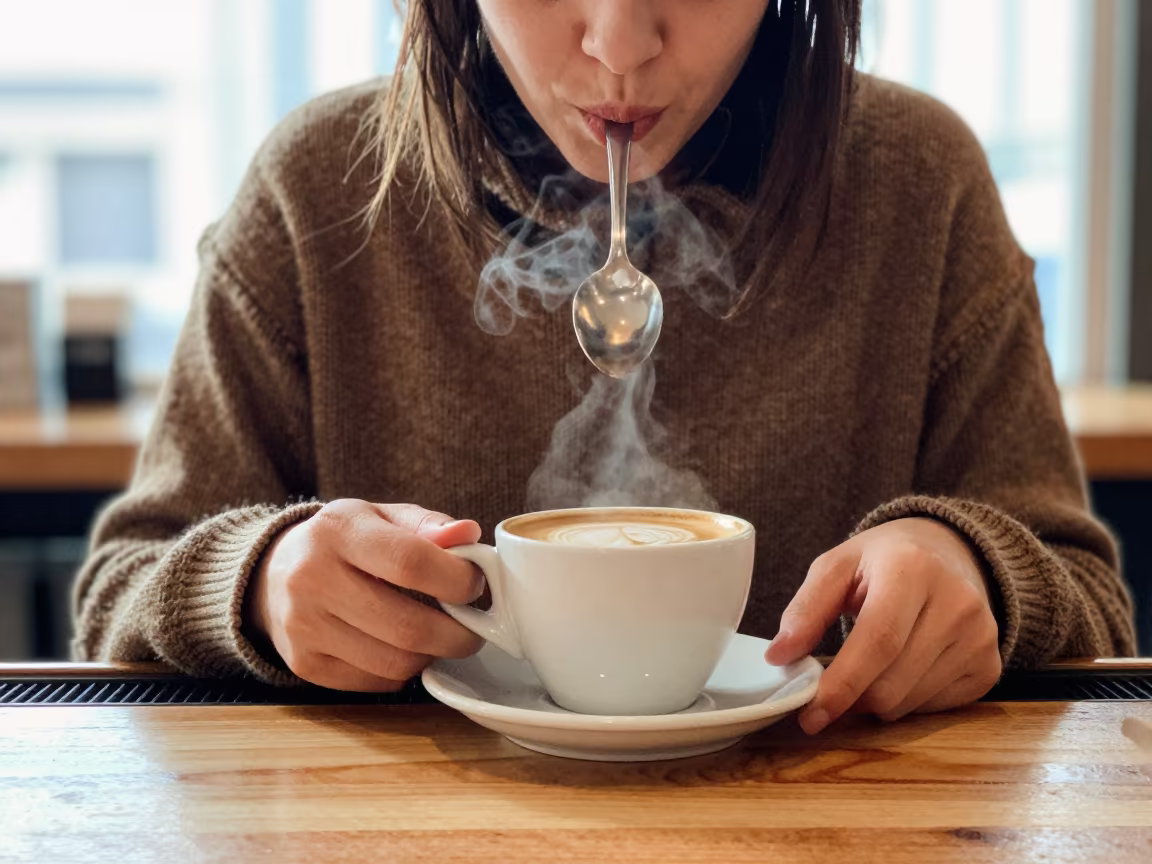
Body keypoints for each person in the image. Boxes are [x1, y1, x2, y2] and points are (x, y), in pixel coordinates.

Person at [74, 0, 1135, 736]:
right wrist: (260, 583)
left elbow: (1088, 599)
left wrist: (975, 573)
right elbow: (117, 595)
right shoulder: (318, 191)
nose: (621, 46)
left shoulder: (917, 185)